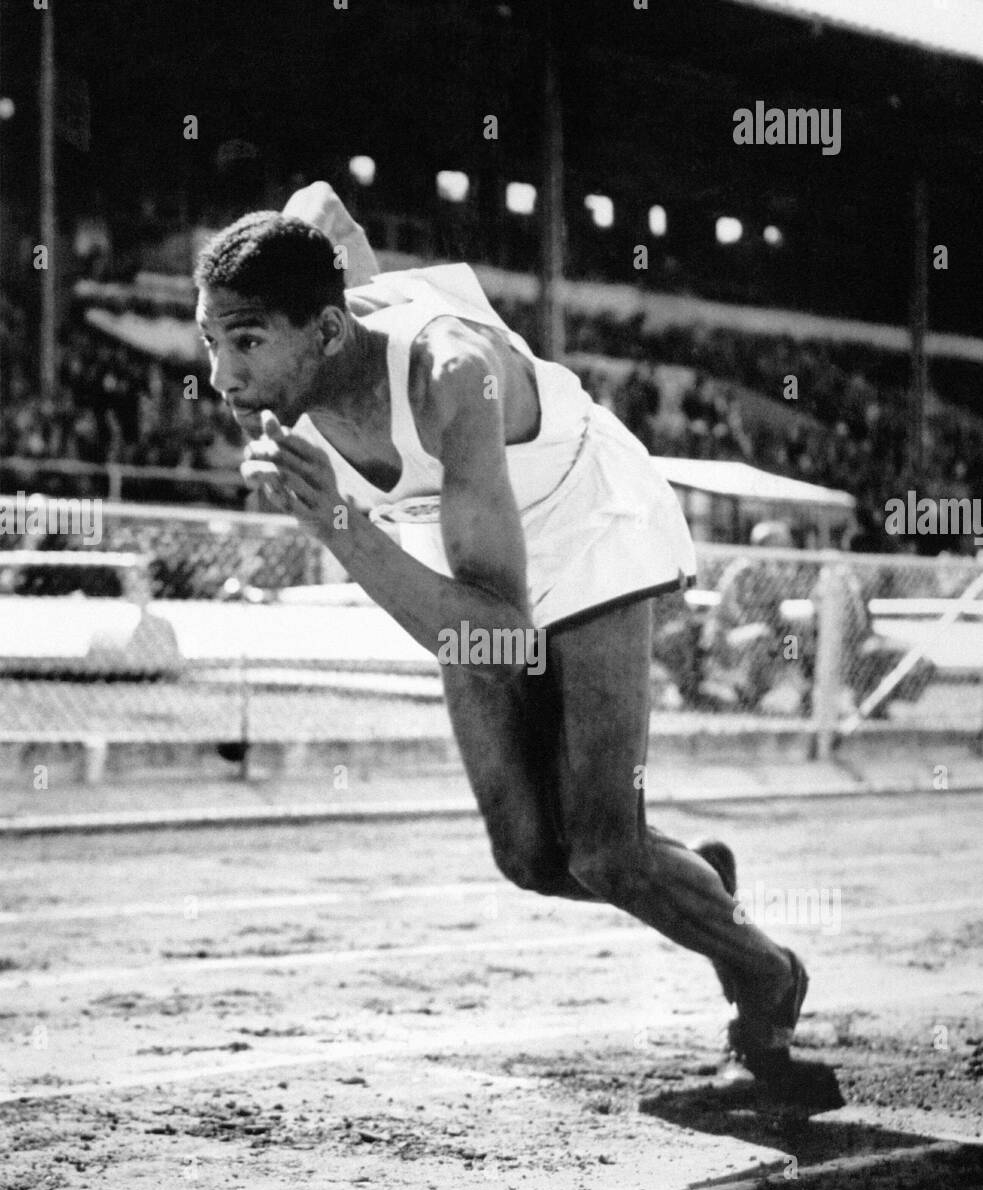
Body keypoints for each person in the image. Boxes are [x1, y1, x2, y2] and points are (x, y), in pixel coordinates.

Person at [193, 183, 841, 1107]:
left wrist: (339, 524)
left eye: (246, 341)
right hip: (463, 535)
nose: (220, 376)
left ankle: (765, 974)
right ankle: (689, 878)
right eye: (209, 341)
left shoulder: (451, 377)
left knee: (603, 854)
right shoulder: (313, 339)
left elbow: (498, 641)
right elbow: (322, 209)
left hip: (583, 525)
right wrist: (298, 241)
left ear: (329, 332)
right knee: (531, 857)